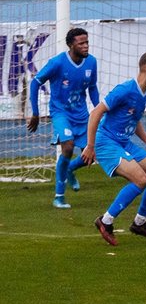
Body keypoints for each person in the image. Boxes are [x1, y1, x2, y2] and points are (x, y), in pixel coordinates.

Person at [81, 51, 146, 245]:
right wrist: (90, 145)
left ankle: (140, 223)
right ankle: (105, 221)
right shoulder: (125, 90)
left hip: (124, 142)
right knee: (140, 179)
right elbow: (96, 113)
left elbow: (134, 118)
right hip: (106, 142)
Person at [27, 27, 99, 209]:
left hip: (81, 114)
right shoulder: (57, 62)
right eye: (81, 43)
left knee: (92, 154)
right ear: (70, 45)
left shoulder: (91, 62)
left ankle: (70, 168)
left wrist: (99, 110)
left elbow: (92, 88)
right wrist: (35, 113)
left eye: (87, 42)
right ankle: (59, 197)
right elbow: (35, 83)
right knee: (67, 146)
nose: (85, 46)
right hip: (60, 112)